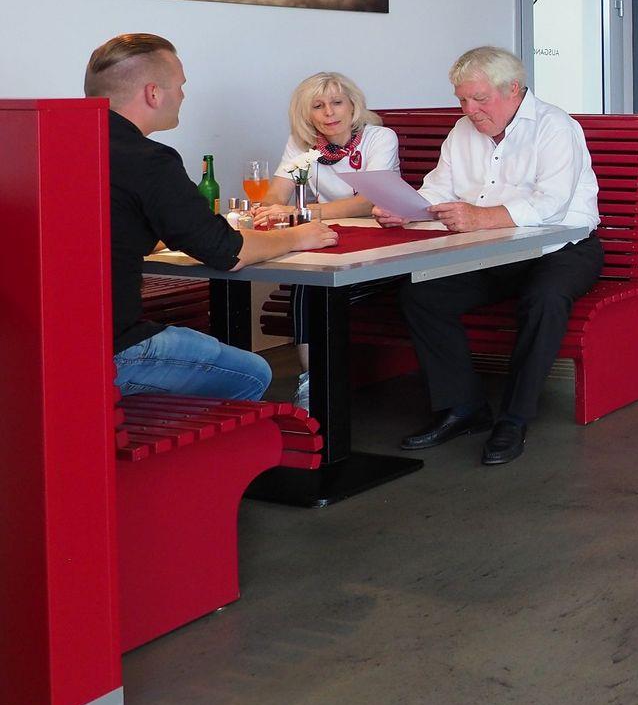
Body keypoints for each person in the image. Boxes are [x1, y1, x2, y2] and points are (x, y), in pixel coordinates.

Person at [382, 46, 602, 467]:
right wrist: (408, 208)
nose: (470, 110)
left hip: (564, 246)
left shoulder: (556, 127)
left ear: (513, 89)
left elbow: (552, 204)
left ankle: (515, 418)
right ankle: (463, 407)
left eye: (479, 99)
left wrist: (480, 217)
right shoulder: (462, 130)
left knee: (545, 299)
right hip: (495, 250)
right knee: (423, 295)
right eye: (462, 100)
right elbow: (439, 188)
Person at [87, 33, 336, 401]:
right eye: (180, 85)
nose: (183, 95)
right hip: (113, 352)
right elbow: (226, 251)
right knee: (254, 372)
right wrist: (298, 237)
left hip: (44, 345)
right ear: (153, 93)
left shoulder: (60, 143)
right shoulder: (148, 160)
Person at [251, 72, 399, 408]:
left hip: (381, 246)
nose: (329, 112)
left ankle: (318, 383)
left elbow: (367, 202)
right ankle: (313, 382)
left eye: (336, 103)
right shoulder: (301, 144)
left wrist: (302, 212)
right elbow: (277, 192)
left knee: (313, 284)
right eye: (318, 106)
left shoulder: (379, 138)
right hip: (330, 243)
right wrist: (268, 207)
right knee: (308, 282)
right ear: (306, 113)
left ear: (352, 105)